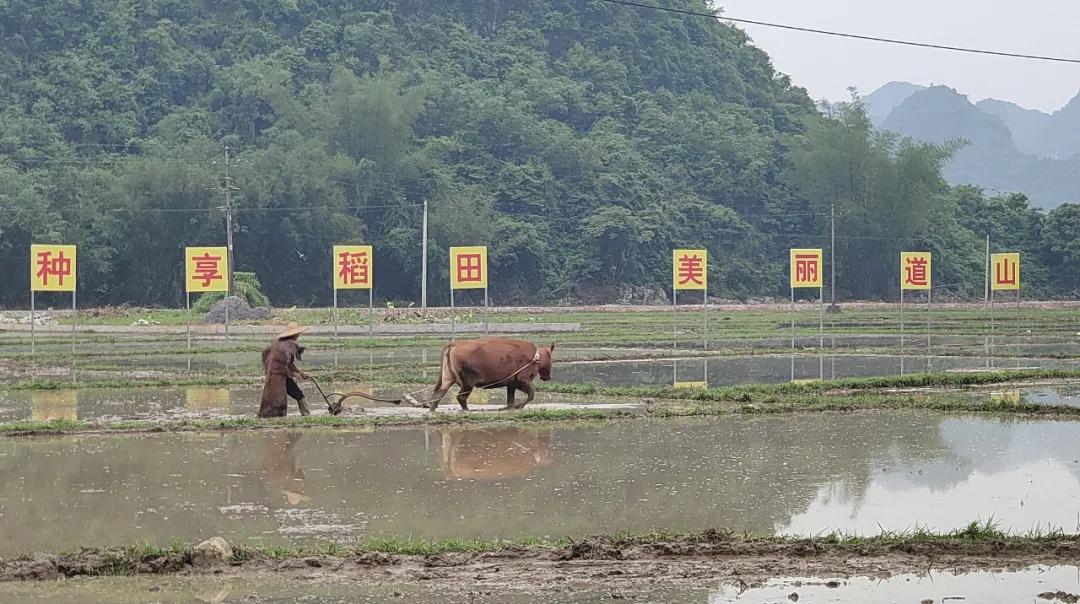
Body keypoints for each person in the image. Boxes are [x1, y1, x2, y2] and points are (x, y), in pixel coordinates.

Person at [259, 322, 311, 418]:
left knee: (271, 398)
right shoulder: (290, 345)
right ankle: (307, 416)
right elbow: (285, 363)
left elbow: (287, 362)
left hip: (272, 374)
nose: (298, 336)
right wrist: (295, 374)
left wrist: (300, 372)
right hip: (280, 375)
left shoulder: (277, 342)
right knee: (294, 396)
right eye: (297, 334)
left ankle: (268, 417)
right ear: (294, 334)